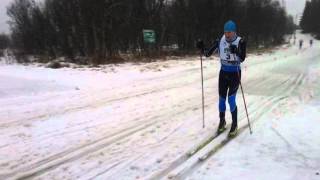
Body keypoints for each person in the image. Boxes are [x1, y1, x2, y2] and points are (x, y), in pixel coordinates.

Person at [196, 20, 247, 137]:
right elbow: (208, 54)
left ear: (234, 32)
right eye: (225, 32)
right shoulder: (220, 41)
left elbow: (242, 57)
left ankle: (234, 124)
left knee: (231, 100)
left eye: (229, 32)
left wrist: (237, 51)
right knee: (221, 100)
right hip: (223, 74)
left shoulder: (241, 41)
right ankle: (222, 121)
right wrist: (201, 47)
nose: (227, 35)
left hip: (235, 73)